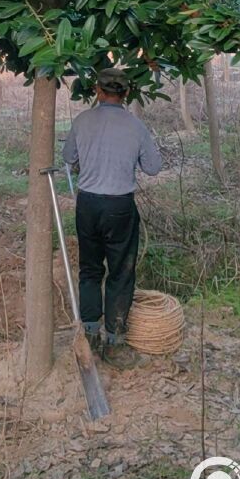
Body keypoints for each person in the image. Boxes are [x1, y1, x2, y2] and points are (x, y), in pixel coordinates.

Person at [62, 67, 163, 368]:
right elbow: (153, 168)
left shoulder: (82, 121)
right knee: (120, 272)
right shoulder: (135, 126)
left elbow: (68, 159)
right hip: (120, 206)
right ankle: (115, 343)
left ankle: (90, 335)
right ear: (127, 93)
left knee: (90, 269)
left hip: (88, 204)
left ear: (97, 90)